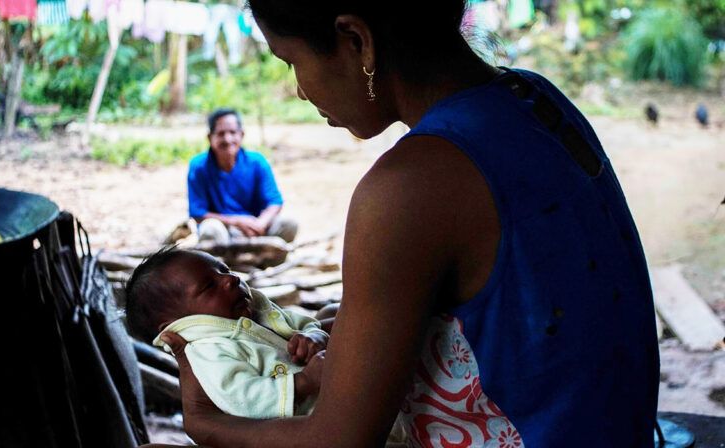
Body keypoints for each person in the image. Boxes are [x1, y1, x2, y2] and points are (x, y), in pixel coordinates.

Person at [155, 2, 660, 447]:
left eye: (292, 62)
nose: (301, 91)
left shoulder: (407, 185)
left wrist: (203, 423)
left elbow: (338, 441)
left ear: (357, 40)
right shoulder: (537, 99)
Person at [125, 247, 329, 418]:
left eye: (225, 269)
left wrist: (314, 337)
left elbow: (307, 324)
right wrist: (304, 383)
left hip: (331, 392)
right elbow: (244, 399)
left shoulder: (259, 313)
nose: (231, 279)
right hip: (307, 424)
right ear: (180, 324)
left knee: (329, 313)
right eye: (209, 286)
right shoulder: (210, 351)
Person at [188, 108, 298, 243]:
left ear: (242, 134)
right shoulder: (198, 166)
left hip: (256, 230)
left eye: (233, 132)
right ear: (210, 137)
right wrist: (237, 221)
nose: (227, 139)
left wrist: (260, 223)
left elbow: (275, 202)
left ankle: (263, 261)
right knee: (211, 229)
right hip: (223, 232)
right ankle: (222, 262)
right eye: (221, 133)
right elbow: (198, 213)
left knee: (288, 224)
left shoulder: (257, 162)